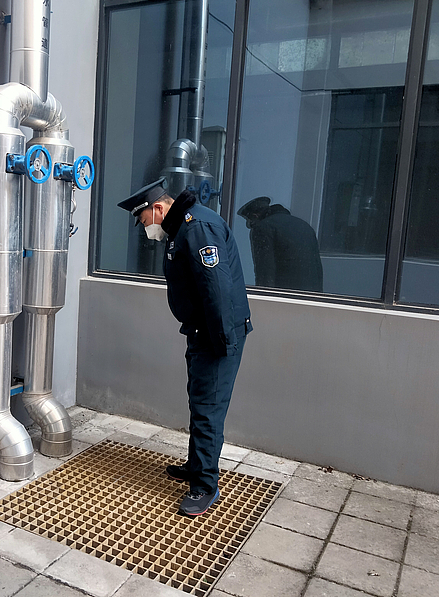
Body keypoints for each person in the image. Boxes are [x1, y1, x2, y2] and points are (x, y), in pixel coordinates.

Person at [117, 178, 252, 516]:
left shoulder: (198, 228)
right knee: (199, 401)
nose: (145, 228)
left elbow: (217, 287)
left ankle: (204, 485)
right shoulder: (182, 228)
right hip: (202, 332)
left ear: (157, 208)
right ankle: (196, 466)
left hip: (217, 335)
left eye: (144, 219)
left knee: (208, 409)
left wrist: (222, 341)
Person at [236, 196, 323, 292]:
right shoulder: (305, 226)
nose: (249, 225)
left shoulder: (264, 227)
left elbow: (265, 271)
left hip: (284, 294)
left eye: (250, 221)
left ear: (255, 215)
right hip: (312, 294)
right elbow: (316, 268)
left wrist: (263, 295)